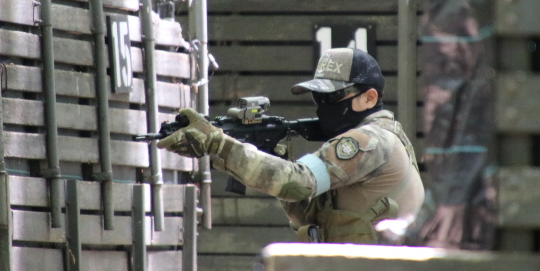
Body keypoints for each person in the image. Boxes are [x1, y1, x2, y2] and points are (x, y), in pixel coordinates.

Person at [158, 47, 424, 244]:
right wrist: (272, 157)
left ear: (370, 98)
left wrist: (219, 145)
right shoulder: (386, 136)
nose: (323, 107)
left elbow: (298, 182)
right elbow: (305, 213)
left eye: (331, 97)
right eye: (318, 98)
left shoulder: (370, 141)